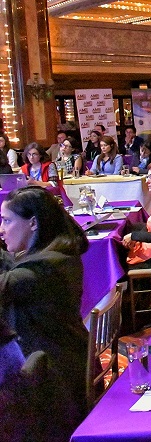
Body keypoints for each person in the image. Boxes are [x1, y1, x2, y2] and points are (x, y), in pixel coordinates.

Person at [0, 186, 90, 437]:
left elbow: (7, 283)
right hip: (68, 359)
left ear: (33, 223)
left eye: (7, 221)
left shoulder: (43, 269)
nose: (1, 229)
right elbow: (13, 270)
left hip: (53, 379)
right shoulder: (56, 255)